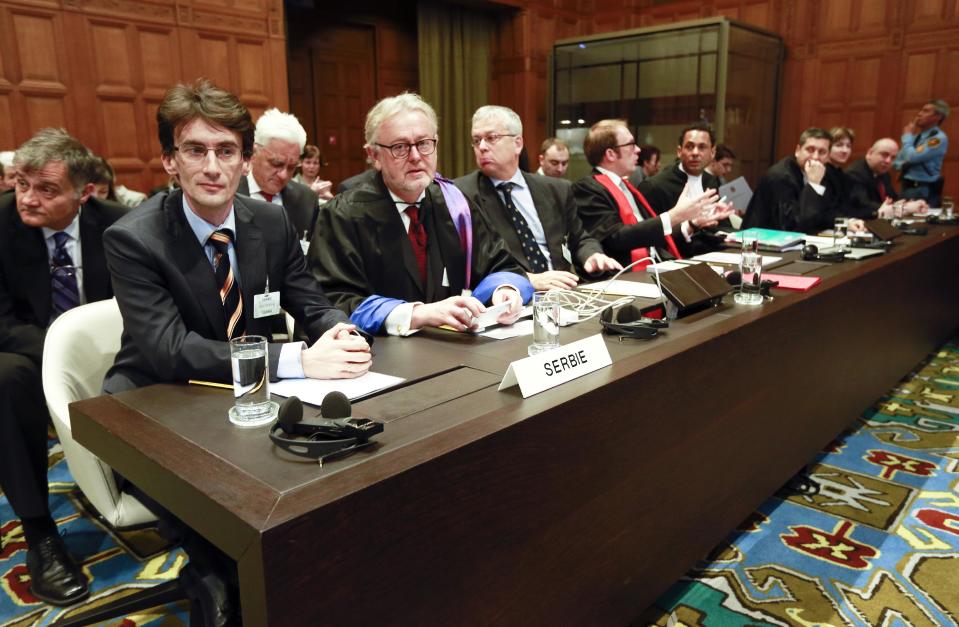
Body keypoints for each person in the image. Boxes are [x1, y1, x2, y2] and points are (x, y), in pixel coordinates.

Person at [0, 128, 127, 607]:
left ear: (85, 193)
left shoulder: (119, 225)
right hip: (29, 358)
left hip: (110, 353)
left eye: (46, 189)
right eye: (20, 184)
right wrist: (62, 356)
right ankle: (39, 533)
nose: (27, 199)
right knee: (3, 379)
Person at [310, 92, 532, 336]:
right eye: (400, 147)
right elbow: (331, 303)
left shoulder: (456, 204)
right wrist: (415, 314)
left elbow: (503, 266)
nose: (416, 156)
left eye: (424, 143)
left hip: (454, 348)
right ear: (374, 156)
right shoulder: (342, 216)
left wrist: (505, 291)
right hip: (380, 358)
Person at [455, 106, 620, 291]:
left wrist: (592, 255)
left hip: (565, 295)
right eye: (477, 141)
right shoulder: (462, 194)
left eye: (491, 138)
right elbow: (475, 263)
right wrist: (527, 280)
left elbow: (579, 238)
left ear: (518, 143)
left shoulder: (556, 189)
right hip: (512, 300)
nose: (482, 147)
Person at [572, 119, 723, 269]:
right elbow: (616, 238)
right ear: (611, 154)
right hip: (627, 276)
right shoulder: (587, 189)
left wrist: (691, 224)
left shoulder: (627, 187)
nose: (638, 149)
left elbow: (652, 237)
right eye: (631, 145)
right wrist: (675, 215)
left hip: (660, 266)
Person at [638, 122, 734, 240]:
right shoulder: (654, 186)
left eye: (702, 147)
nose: (695, 153)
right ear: (679, 151)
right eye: (689, 147)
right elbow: (648, 236)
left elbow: (721, 226)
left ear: (712, 153)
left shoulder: (710, 181)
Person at [237, 108, 320, 240]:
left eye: (292, 167)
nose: (283, 175)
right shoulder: (229, 194)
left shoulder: (307, 200)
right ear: (254, 152)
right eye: (276, 163)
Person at [742, 127, 840, 233]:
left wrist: (845, 222)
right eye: (810, 150)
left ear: (828, 156)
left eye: (822, 152)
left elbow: (822, 213)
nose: (815, 157)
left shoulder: (822, 173)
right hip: (758, 242)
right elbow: (791, 225)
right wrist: (813, 184)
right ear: (798, 150)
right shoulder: (781, 176)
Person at [846, 138, 927, 219]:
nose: (888, 161)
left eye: (893, 158)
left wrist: (908, 203)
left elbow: (892, 198)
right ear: (870, 152)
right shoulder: (855, 173)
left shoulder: (883, 174)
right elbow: (863, 204)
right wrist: (904, 208)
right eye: (884, 155)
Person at [894, 99, 950, 207]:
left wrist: (907, 136)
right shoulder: (916, 138)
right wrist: (901, 163)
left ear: (938, 116)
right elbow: (897, 161)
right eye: (921, 110)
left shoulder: (937, 139)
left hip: (923, 189)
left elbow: (911, 157)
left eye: (925, 111)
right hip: (906, 186)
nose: (919, 114)